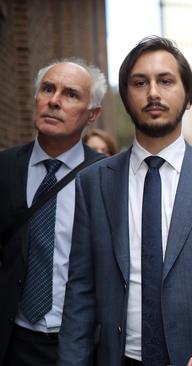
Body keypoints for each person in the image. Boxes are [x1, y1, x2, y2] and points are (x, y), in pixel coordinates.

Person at [57, 36, 192, 366]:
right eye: (139, 82)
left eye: (165, 81)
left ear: (188, 95)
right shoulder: (93, 183)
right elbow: (80, 291)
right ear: (126, 97)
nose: (153, 93)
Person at [0, 58, 106, 365]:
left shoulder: (106, 176)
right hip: (12, 342)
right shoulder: (5, 168)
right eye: (48, 89)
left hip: (80, 346)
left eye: (71, 94)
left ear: (92, 114)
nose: (54, 101)